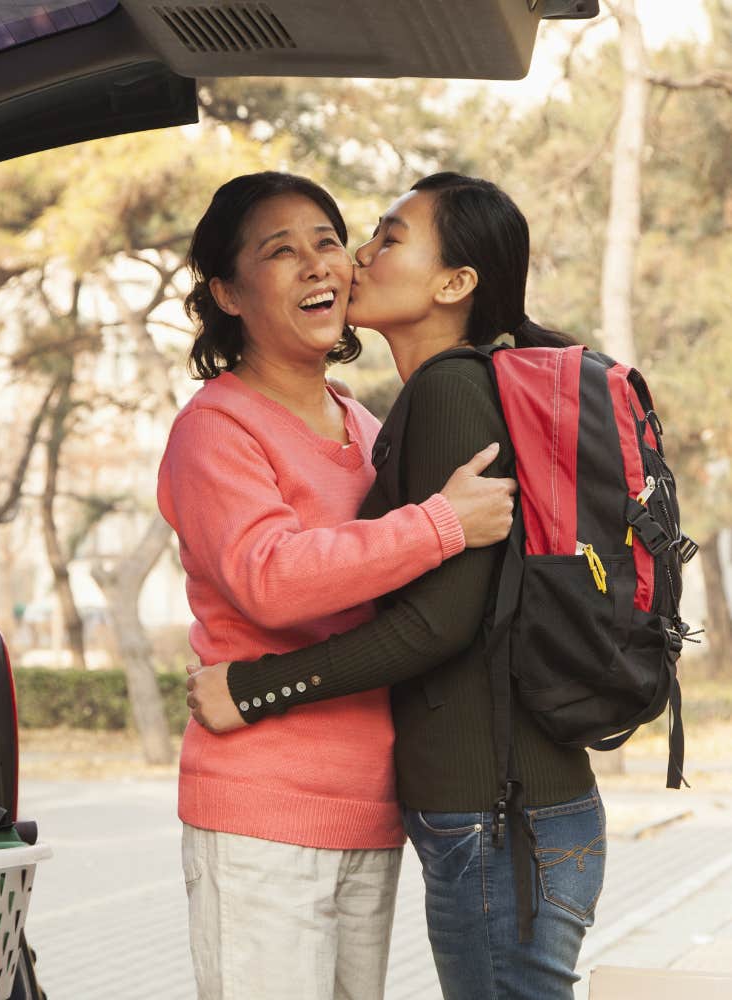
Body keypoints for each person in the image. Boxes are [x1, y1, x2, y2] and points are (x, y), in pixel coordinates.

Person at [187, 172, 604, 1000]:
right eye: (281, 251)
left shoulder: (381, 419)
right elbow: (270, 579)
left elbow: (438, 613)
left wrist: (260, 686)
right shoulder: (216, 427)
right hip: (267, 807)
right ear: (228, 292)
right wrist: (439, 524)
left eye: (329, 241)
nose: (328, 264)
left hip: (381, 808)